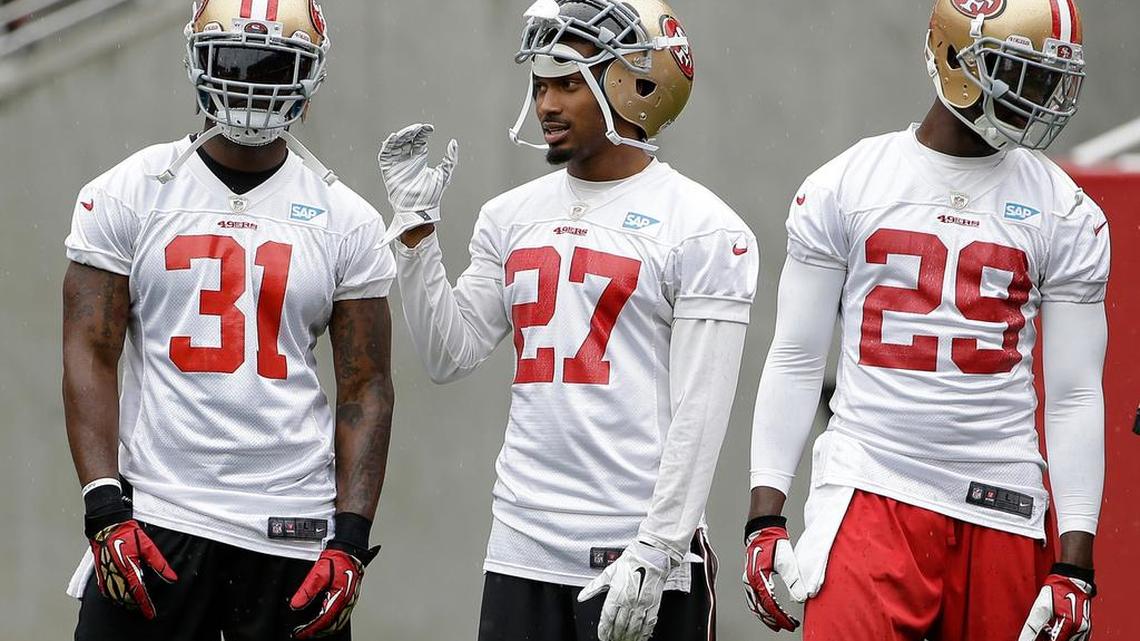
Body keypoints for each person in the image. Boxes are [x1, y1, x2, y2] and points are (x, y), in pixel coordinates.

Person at [375, 1, 757, 640]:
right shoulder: (510, 214)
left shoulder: (704, 227)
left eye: (569, 82)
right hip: (522, 542)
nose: (547, 103)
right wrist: (416, 236)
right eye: (540, 83)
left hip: (636, 549)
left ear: (633, 84)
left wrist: (660, 545)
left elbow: (702, 410)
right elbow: (449, 353)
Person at [742, 1, 1108, 640]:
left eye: (1049, 79)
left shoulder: (1066, 211)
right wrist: (763, 516)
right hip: (871, 486)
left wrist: (1075, 562)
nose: (1039, 98)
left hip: (1004, 500)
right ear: (956, 57)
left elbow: (1075, 393)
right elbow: (797, 356)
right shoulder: (849, 184)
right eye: (1020, 74)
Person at [62, 1, 396, 639]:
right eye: (234, 60)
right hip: (157, 520)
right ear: (198, 59)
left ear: (310, 74)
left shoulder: (345, 217)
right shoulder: (131, 191)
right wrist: (104, 507)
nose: (250, 83)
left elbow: (366, 386)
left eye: (274, 65)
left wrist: (350, 540)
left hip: (292, 533)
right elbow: (89, 350)